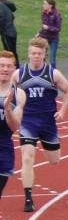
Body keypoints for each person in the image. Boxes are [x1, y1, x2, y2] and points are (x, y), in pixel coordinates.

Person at [17, 37, 68, 212]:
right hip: (28, 122)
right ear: (28, 54)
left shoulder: (52, 73)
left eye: (39, 54)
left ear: (44, 55)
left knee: (54, 160)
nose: (36, 56)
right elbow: (7, 93)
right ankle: (28, 198)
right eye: (33, 53)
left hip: (48, 122)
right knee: (27, 158)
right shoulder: (19, 74)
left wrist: (62, 111)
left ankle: (44, 143)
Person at [0, 51, 26, 205]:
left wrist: (8, 109)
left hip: (3, 148)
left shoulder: (19, 94)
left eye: (8, 66)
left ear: (14, 69)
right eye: (2, 65)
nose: (5, 69)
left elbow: (15, 126)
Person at [39, 0, 62, 69]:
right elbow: (43, 26)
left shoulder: (56, 14)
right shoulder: (43, 13)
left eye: (45, 4)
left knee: (52, 58)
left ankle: (53, 72)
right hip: (44, 37)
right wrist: (39, 33)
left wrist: (48, 28)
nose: (43, 5)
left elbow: (58, 28)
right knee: (42, 56)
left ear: (50, 5)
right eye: (43, 4)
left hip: (53, 39)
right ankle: (41, 71)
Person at [0, 0, 17, 66]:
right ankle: (16, 67)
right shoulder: (7, 8)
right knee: (12, 51)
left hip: (6, 33)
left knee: (9, 52)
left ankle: (14, 67)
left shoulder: (1, 6)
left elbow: (2, 19)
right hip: (12, 32)